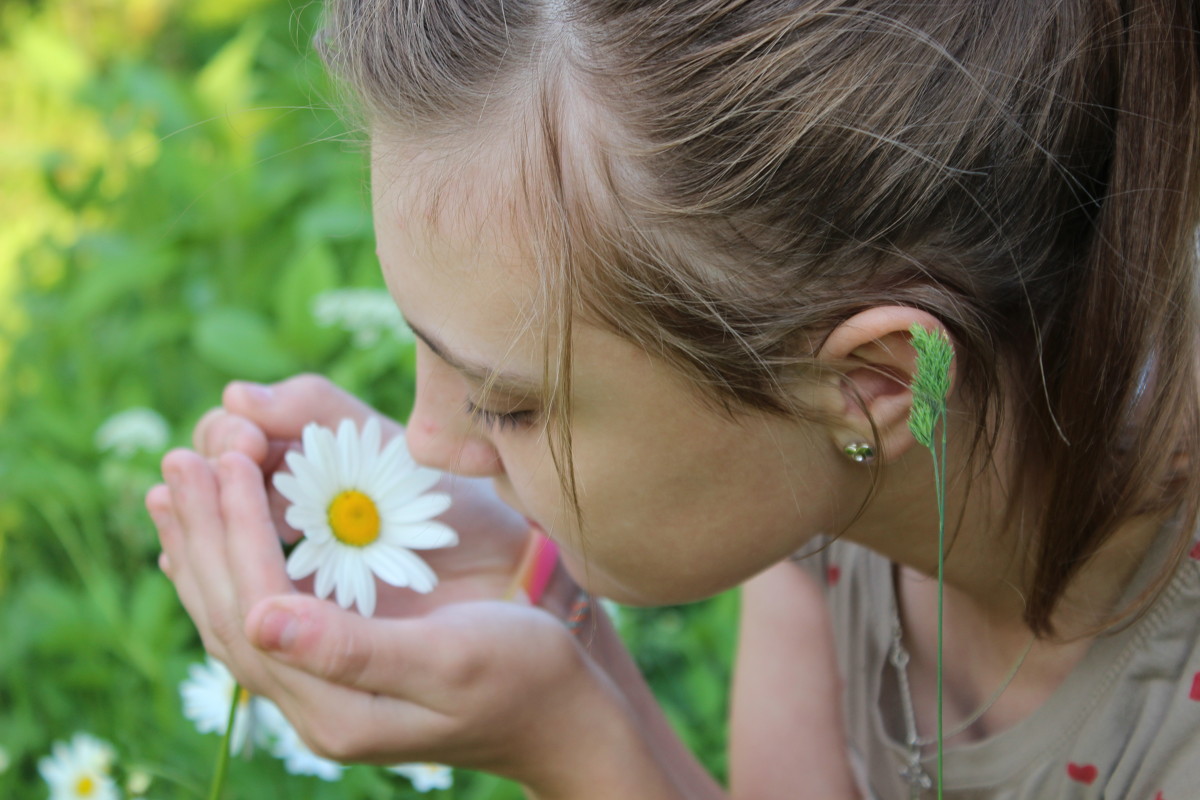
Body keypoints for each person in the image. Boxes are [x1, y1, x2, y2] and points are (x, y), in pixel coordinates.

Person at [145, 1, 1200, 797]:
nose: (426, 445)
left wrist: (575, 744)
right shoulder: (829, 490)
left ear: (878, 380)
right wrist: (563, 636)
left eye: (509, 403)